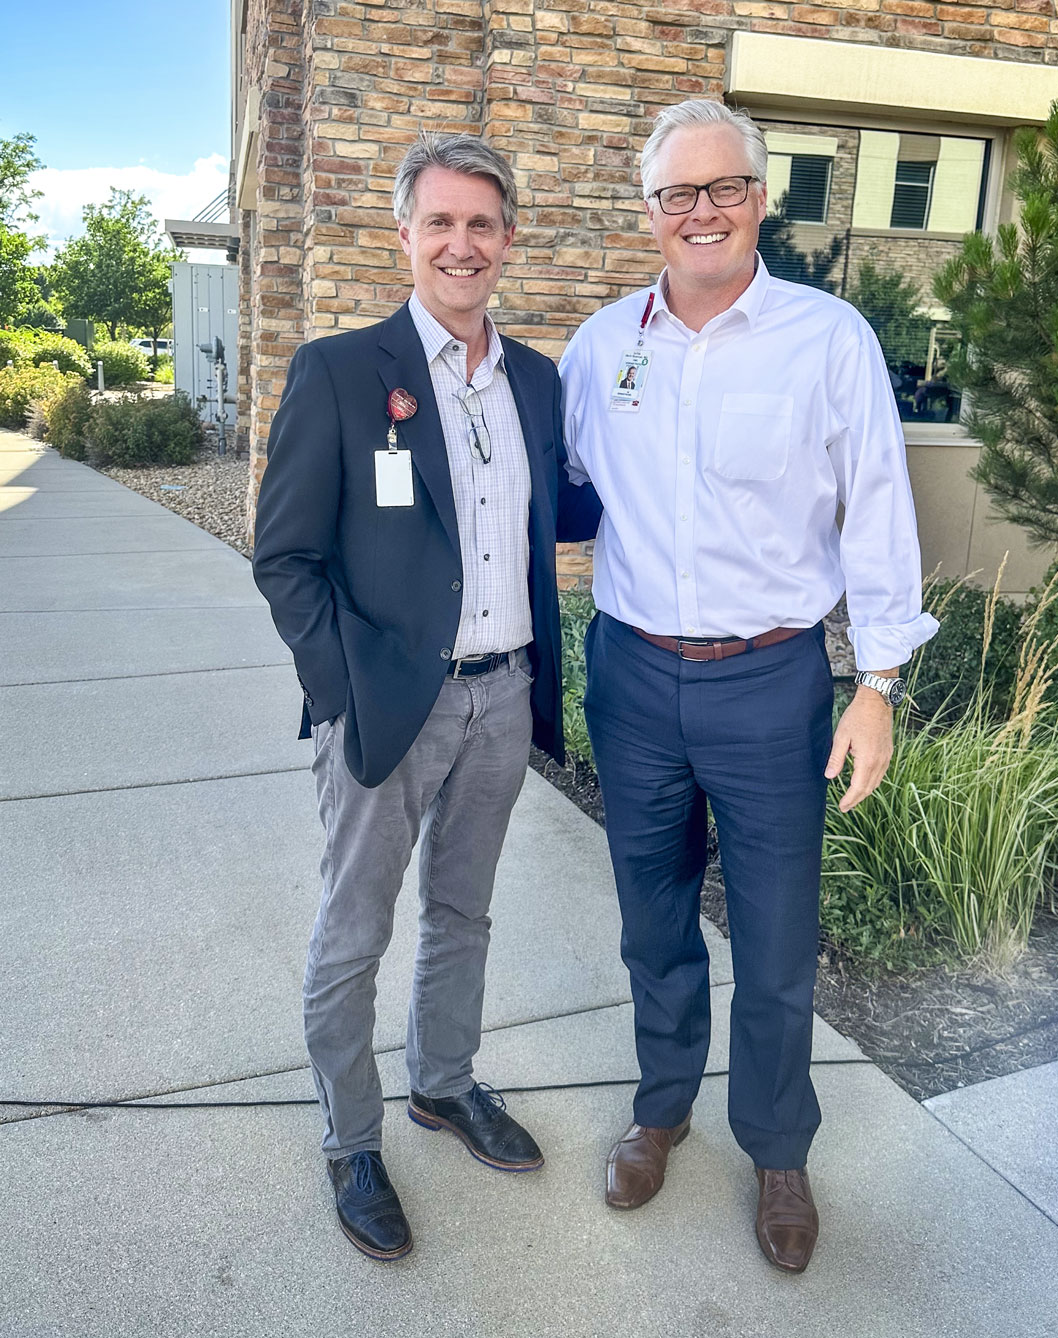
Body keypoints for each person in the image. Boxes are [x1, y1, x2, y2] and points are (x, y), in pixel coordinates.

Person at [558, 99, 937, 1274]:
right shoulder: (598, 346)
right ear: (650, 211)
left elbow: (877, 509)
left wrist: (876, 681)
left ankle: (778, 1148)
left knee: (776, 936)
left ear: (761, 201)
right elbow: (553, 492)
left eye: (725, 188)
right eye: (679, 193)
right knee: (652, 916)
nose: (703, 210)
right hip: (628, 671)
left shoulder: (828, 341)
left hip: (771, 680)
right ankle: (662, 1107)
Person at [253, 130, 601, 1262]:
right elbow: (285, 557)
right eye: (440, 222)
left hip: (504, 697)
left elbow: (573, 513)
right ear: (405, 235)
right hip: (387, 707)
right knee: (354, 931)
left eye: (482, 224)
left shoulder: (537, 383)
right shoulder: (343, 373)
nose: (462, 243)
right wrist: (340, 690)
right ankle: (352, 1139)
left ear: (507, 241)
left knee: (465, 911)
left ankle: (443, 1087)